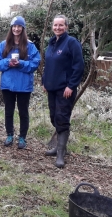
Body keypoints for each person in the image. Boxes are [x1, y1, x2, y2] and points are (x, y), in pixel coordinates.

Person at [42, 14, 84, 168]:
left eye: (61, 25)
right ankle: (60, 147)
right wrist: (44, 81)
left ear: (66, 26)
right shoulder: (52, 43)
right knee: (54, 117)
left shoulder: (71, 43)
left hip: (65, 89)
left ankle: (60, 153)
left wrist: (71, 86)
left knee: (62, 118)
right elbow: (48, 65)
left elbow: (79, 66)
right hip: (51, 87)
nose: (57, 28)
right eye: (55, 25)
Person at [0, 16, 40, 149]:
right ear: (11, 28)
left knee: (23, 112)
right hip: (8, 84)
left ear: (23, 28)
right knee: (9, 111)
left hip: (24, 85)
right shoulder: (3, 45)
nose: (16, 29)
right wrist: (7, 62)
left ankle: (22, 138)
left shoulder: (30, 46)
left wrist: (21, 64)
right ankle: (9, 135)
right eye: (14, 26)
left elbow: (35, 63)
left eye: (19, 26)